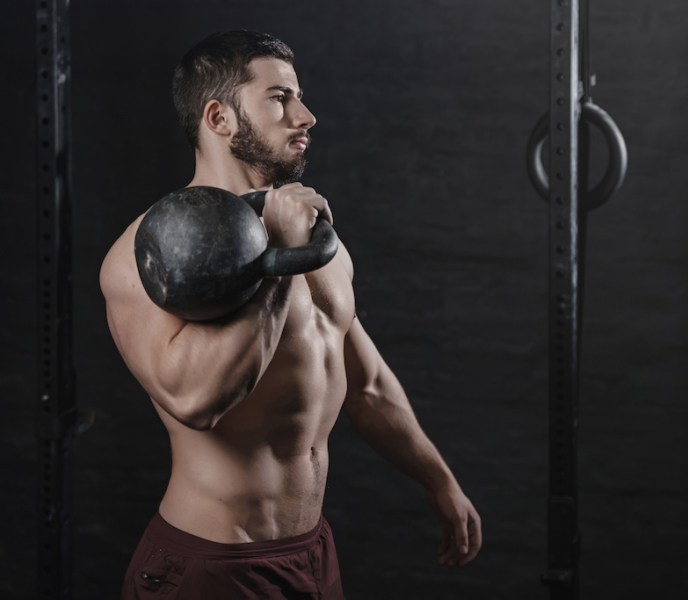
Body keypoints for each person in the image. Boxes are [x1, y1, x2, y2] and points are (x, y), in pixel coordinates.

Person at [100, 30, 482, 600]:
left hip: (309, 555)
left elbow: (367, 384)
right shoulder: (148, 254)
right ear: (219, 118)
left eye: (297, 96)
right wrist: (277, 257)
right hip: (211, 567)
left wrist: (439, 481)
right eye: (279, 99)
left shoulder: (316, 238)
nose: (305, 115)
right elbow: (195, 401)